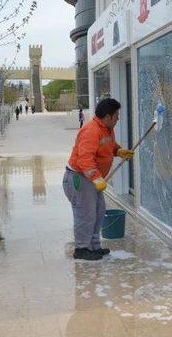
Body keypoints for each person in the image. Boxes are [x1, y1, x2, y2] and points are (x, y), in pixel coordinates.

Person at [62, 98, 134, 261]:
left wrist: (119, 151)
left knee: (98, 211)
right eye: (116, 115)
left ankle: (93, 246)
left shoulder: (107, 129)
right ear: (107, 116)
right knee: (85, 214)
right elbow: (85, 159)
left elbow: (109, 146)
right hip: (79, 178)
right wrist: (96, 178)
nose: (118, 118)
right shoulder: (91, 130)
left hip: (91, 179)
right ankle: (81, 248)